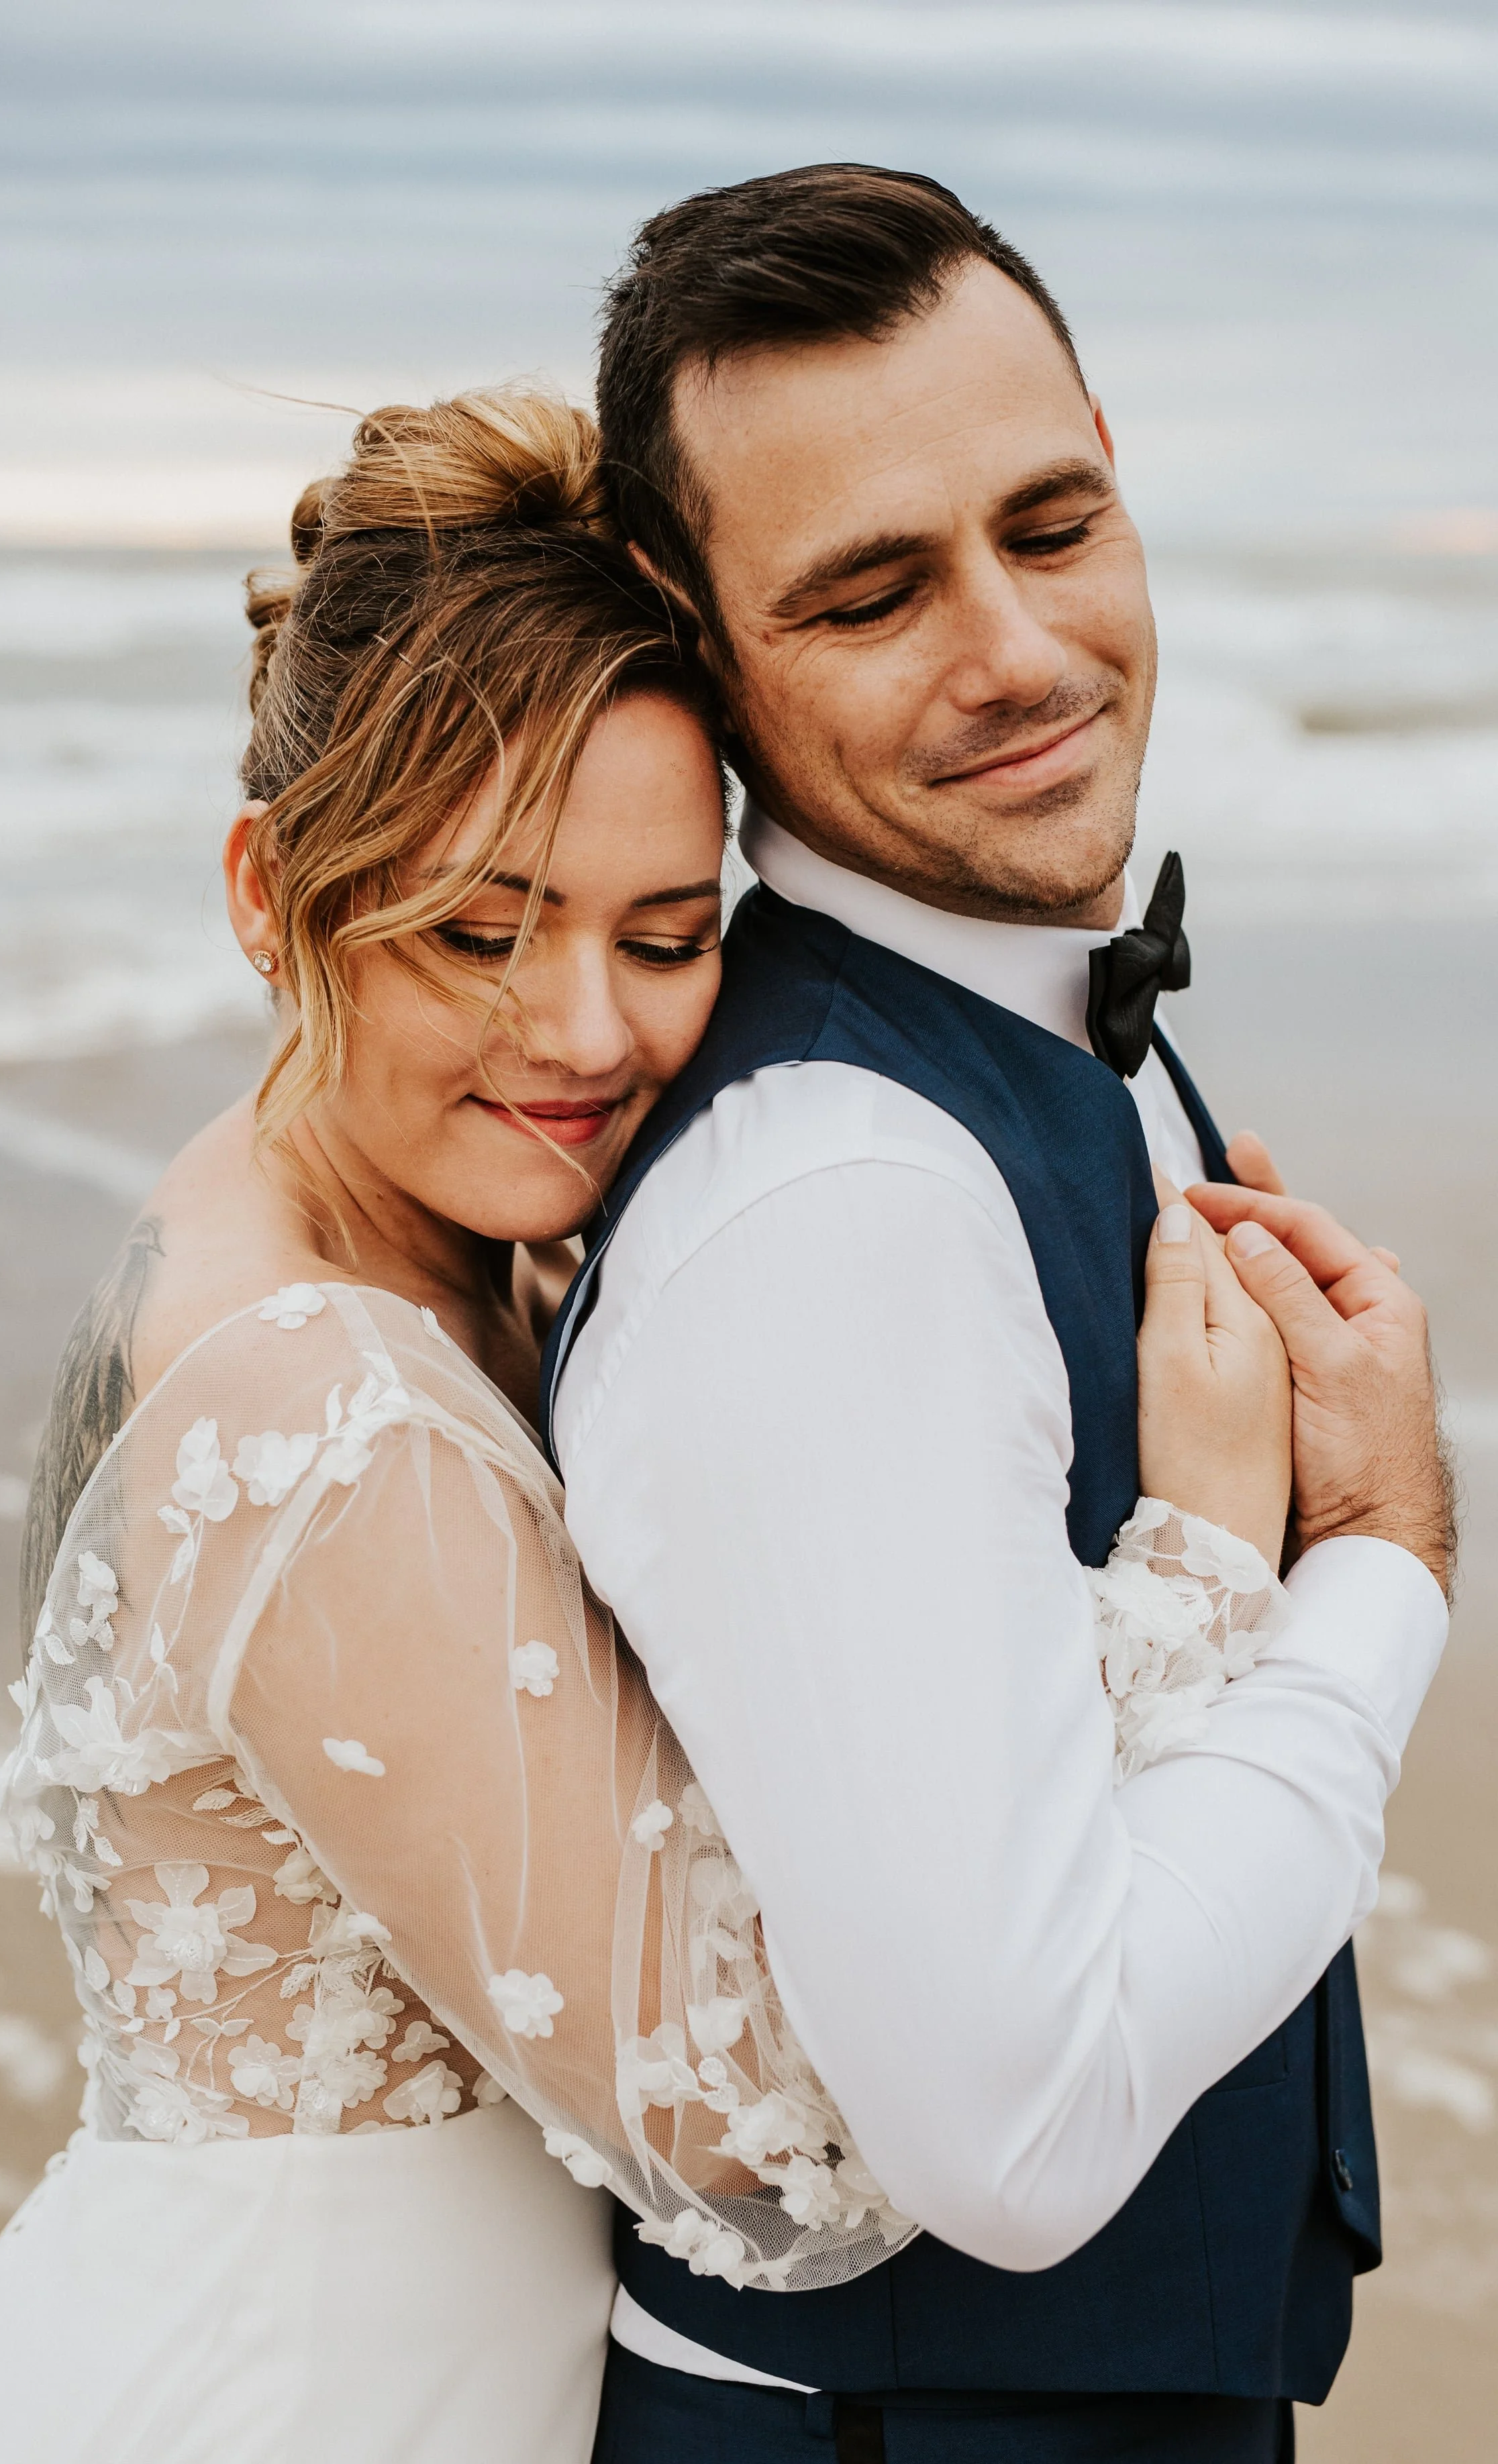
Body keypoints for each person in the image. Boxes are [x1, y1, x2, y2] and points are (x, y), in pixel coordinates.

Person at [0, 389, 1309, 2464]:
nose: (586, 1034)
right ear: (270, 896)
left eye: (666, 937)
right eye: (481, 931)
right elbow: (783, 2142)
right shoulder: (310, 1399)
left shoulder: (395, 1228)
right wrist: (1210, 1560)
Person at [542, 167, 1455, 2461]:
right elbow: (1018, 2139)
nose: (1022, 656)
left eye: (1050, 529)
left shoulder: (1035, 1010)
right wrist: (1384, 1573)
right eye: (872, 591)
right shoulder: (831, 1205)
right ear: (690, 626)